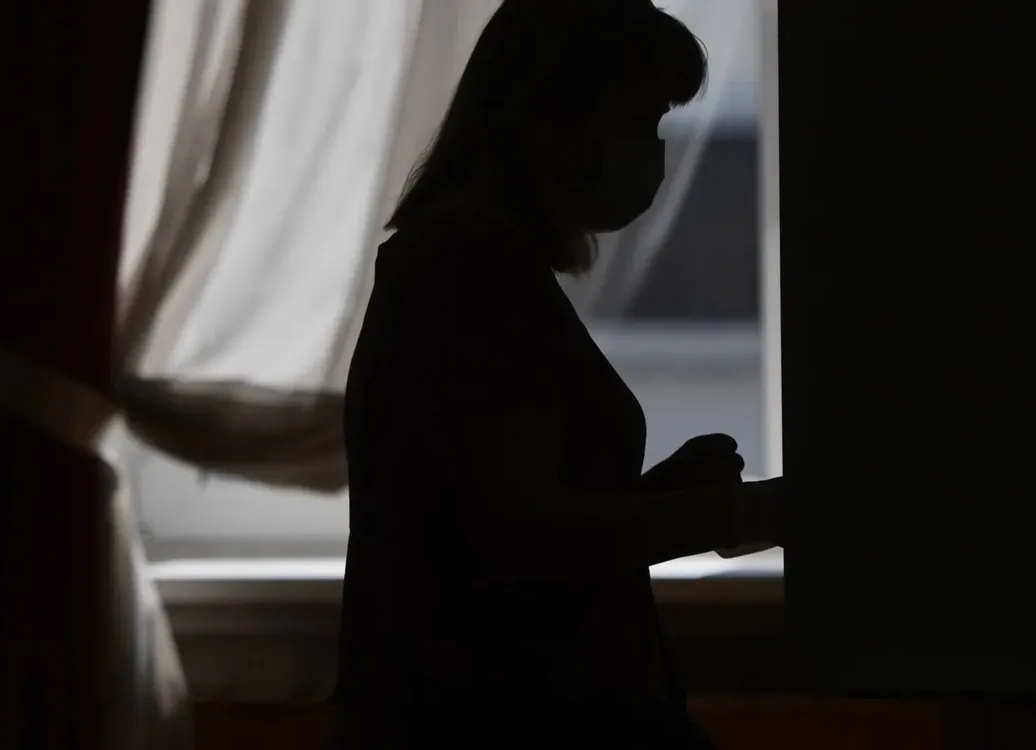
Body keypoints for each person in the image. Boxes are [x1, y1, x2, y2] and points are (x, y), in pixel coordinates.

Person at [330, 1, 784, 747]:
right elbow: (523, 541)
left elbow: (496, 509)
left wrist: (662, 496)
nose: (653, 151)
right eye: (639, 120)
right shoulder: (468, 266)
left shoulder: (465, 258)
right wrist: (743, 515)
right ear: (555, 113)